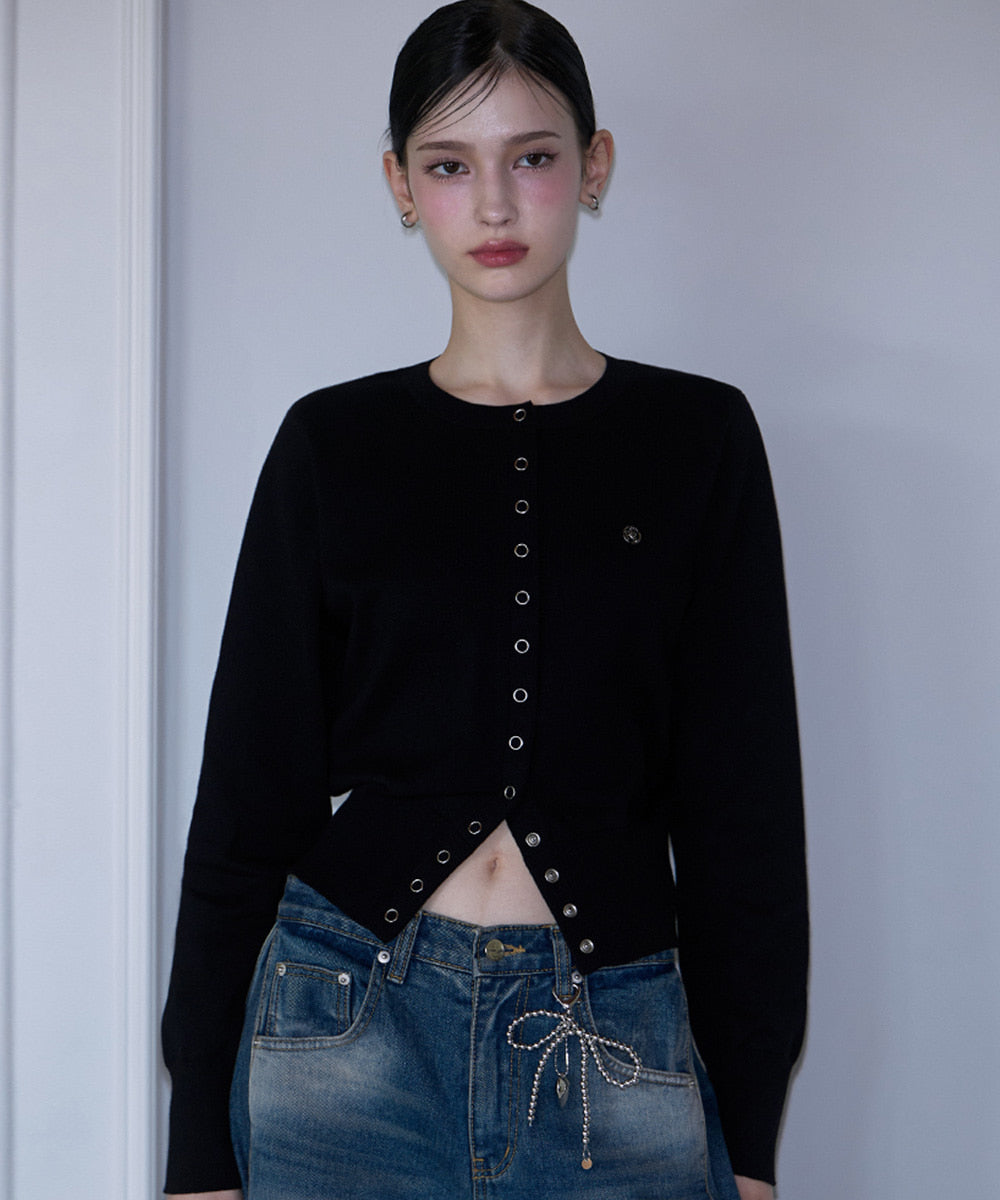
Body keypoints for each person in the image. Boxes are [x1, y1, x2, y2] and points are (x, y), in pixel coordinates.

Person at [161, 2, 808, 1198]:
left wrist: (750, 1142)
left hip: (613, 1042)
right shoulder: (332, 445)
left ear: (594, 166)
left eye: (533, 157)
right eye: (451, 165)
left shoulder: (697, 441)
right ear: (402, 186)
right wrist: (198, 1143)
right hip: (343, 1030)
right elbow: (249, 799)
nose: (496, 205)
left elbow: (743, 813)